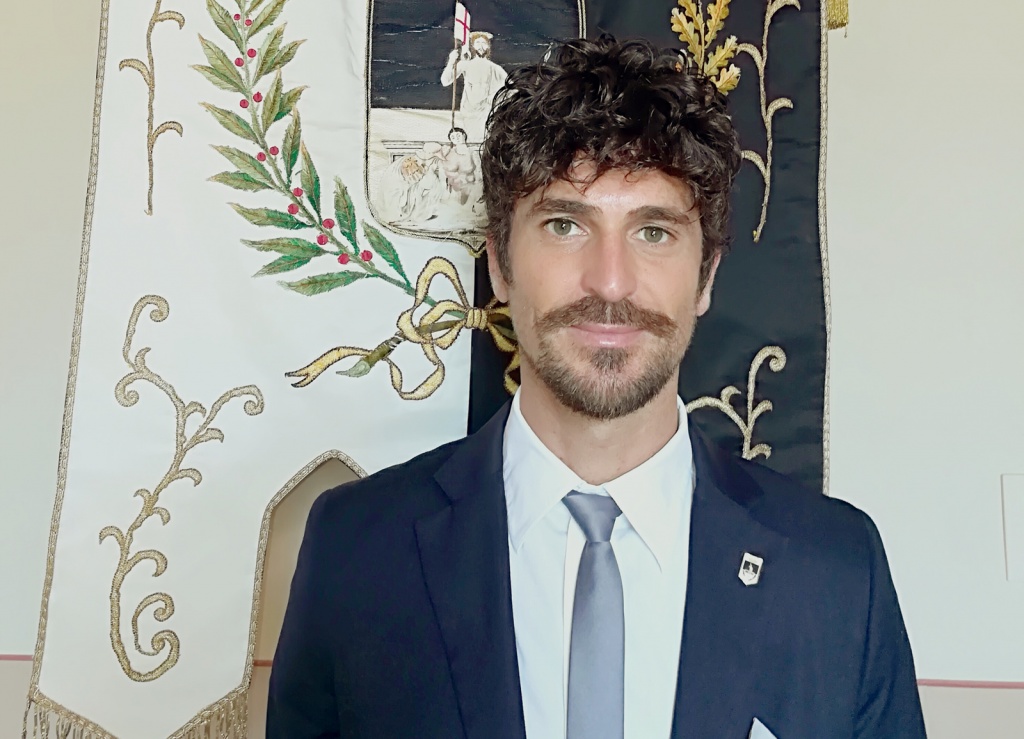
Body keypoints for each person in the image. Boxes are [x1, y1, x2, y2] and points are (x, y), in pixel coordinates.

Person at [268, 36, 927, 739]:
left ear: (705, 276)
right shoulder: (356, 551)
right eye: (564, 225)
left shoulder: (837, 571)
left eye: (654, 232)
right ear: (499, 265)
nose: (610, 282)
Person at [441, 31, 508, 140]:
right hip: (469, 111)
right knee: (469, 138)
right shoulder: (466, 64)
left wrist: (495, 96)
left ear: (488, 46)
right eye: (478, 43)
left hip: (486, 111)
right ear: (472, 46)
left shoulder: (494, 68)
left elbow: (511, 86)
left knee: (484, 138)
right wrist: (451, 62)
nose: (481, 46)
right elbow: (445, 81)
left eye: (484, 43)